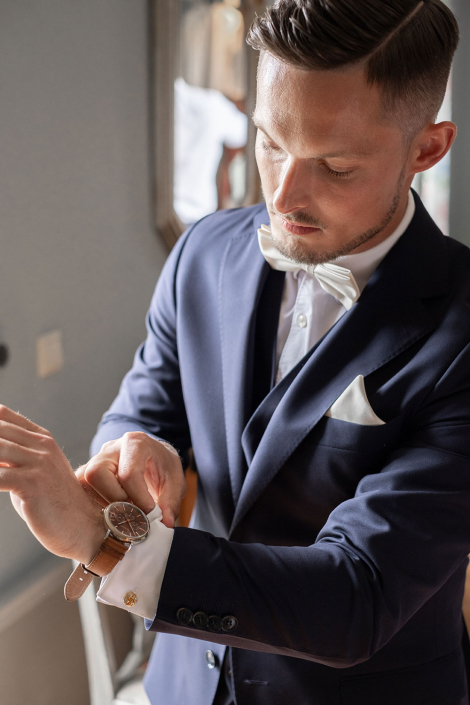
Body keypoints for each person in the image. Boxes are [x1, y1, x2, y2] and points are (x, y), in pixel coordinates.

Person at [0, 1, 469, 703]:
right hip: (185, 683)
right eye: (270, 140)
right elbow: (145, 405)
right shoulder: (202, 252)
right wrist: (135, 451)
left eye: (334, 166)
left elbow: (358, 594)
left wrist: (105, 541)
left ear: (427, 149)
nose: (282, 194)